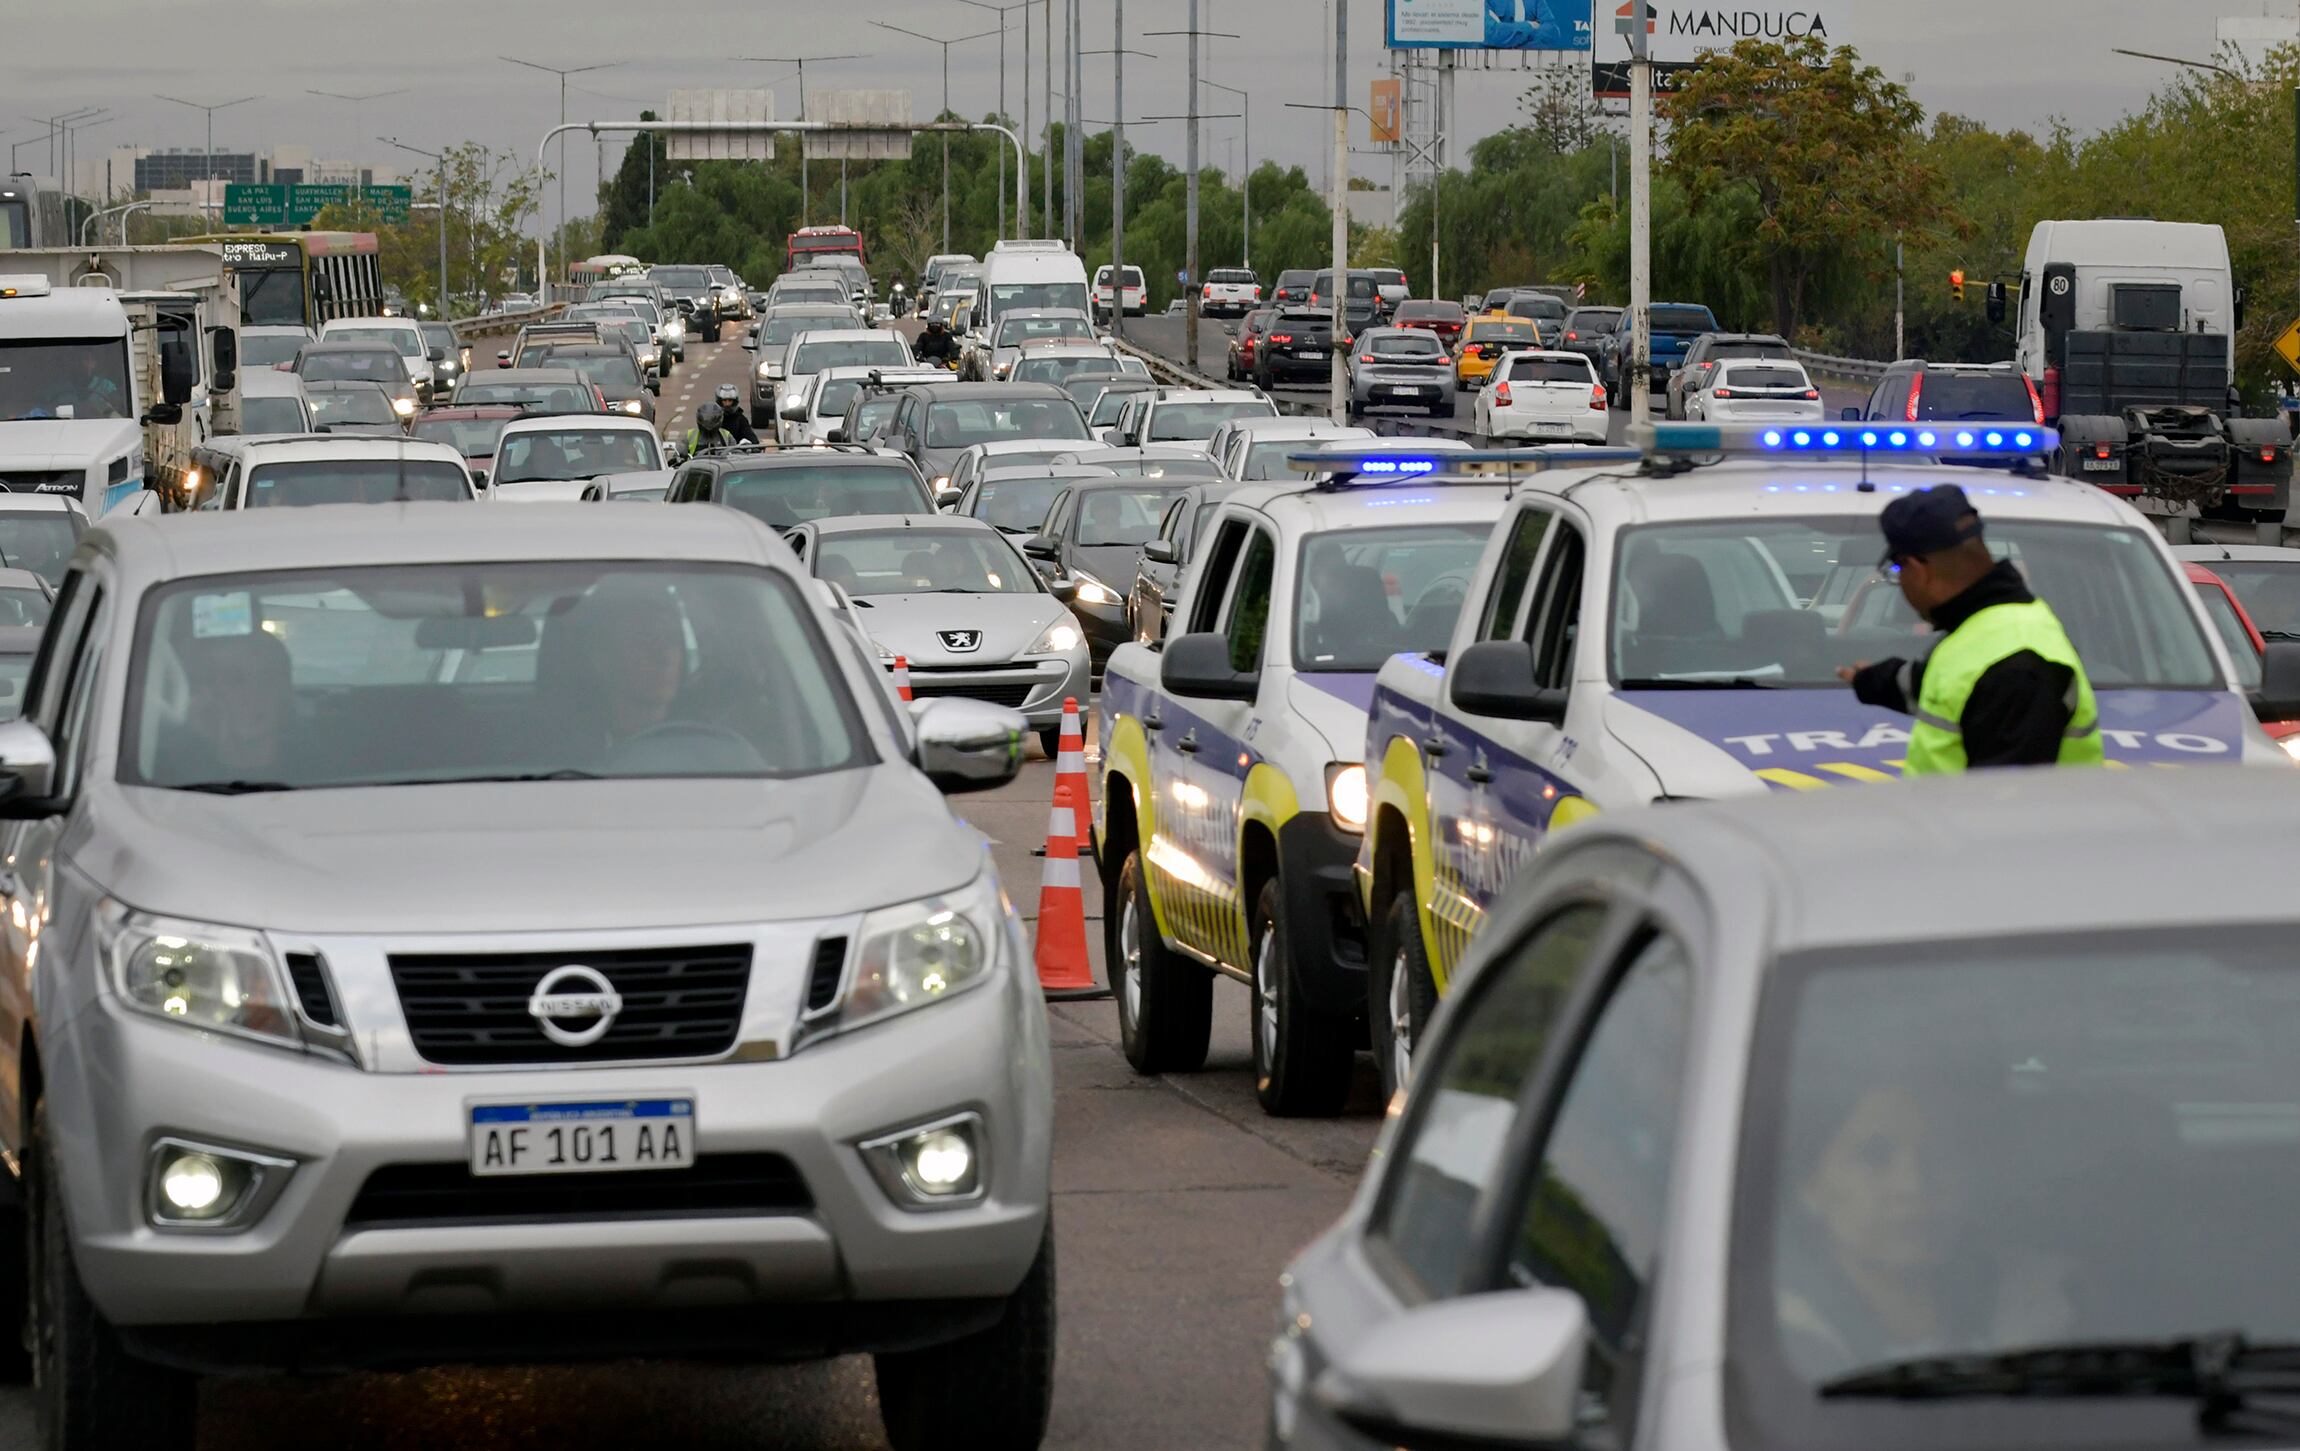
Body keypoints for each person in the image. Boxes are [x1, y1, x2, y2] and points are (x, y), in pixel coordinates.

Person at [1838, 484, 2102, 773]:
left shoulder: (2018, 667)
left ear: (1916, 568)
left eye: (1897, 573)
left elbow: (2005, 804)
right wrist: (1869, 679)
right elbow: (1943, 685)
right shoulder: (1991, 626)